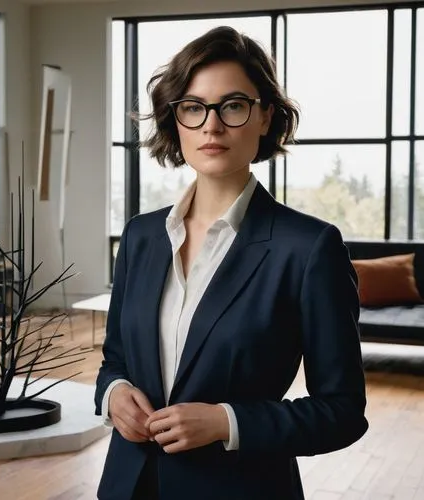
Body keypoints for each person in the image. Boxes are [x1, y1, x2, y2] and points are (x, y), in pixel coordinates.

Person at [95, 25, 368, 500]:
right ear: (175, 119)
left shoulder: (308, 248)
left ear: (265, 117)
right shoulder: (140, 236)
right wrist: (114, 393)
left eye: (233, 106)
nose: (211, 125)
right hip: (129, 485)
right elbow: (115, 358)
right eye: (193, 107)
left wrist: (228, 422)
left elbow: (342, 411)